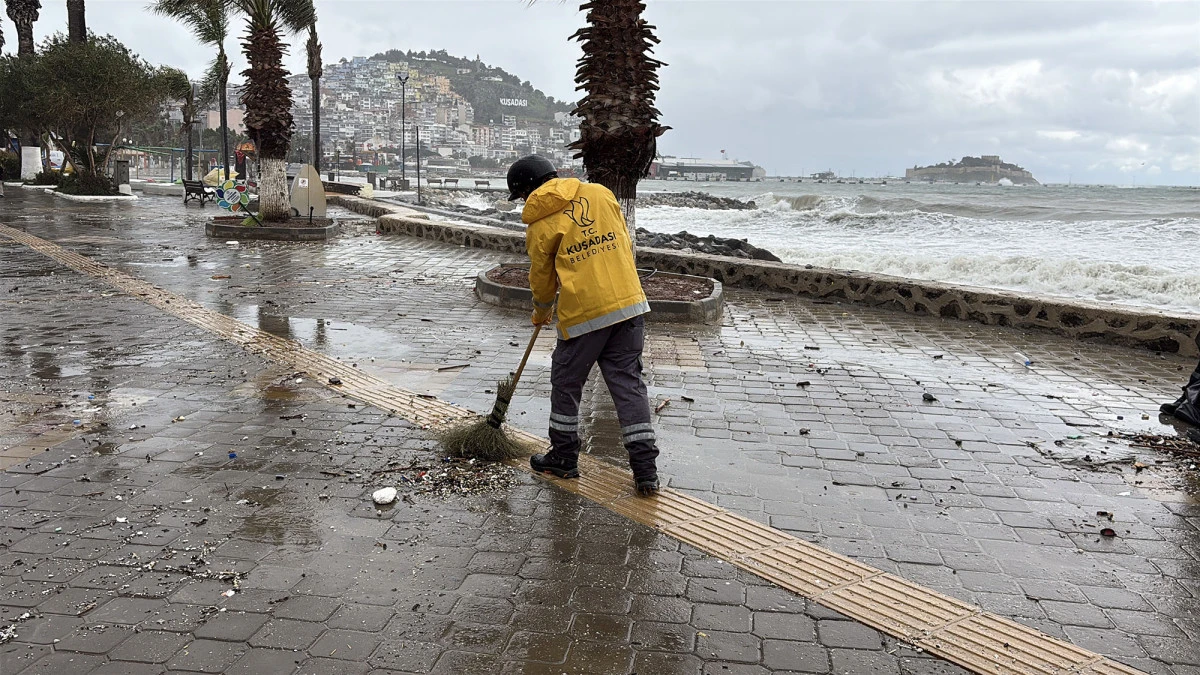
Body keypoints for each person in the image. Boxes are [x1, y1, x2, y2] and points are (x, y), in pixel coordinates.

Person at [508, 154, 661, 496]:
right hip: (629, 304)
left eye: (521, 196)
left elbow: (542, 278)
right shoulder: (601, 193)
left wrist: (541, 311)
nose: (524, 202)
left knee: (566, 383)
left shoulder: (538, 225)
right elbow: (622, 238)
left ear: (528, 190)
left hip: (584, 315)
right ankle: (646, 471)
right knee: (628, 385)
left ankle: (563, 458)